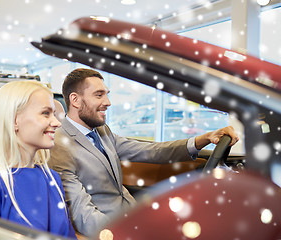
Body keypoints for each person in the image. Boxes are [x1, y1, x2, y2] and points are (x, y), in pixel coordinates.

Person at [48, 68, 239, 237]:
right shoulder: (59, 145)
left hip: (130, 213)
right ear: (75, 100)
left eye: (107, 94)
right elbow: (83, 214)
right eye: (99, 95)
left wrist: (203, 139)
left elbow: (150, 151)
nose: (108, 102)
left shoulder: (102, 131)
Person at [0, 81, 77, 239]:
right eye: (45, 113)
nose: (57, 123)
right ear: (15, 120)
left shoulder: (52, 178)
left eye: (54, 114)